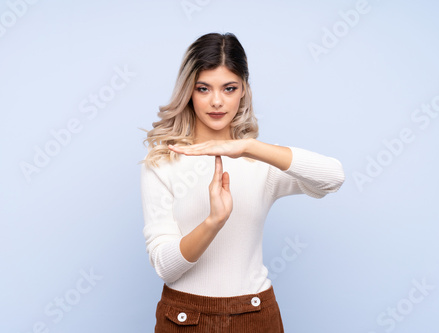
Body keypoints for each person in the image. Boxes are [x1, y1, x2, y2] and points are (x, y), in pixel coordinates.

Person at [139, 32, 345, 332]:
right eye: (203, 88)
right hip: (183, 318)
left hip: (255, 316)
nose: (217, 101)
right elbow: (164, 266)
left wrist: (248, 147)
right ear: (189, 91)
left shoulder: (260, 161)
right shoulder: (162, 161)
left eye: (229, 88)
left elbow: (333, 177)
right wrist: (213, 222)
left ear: (243, 91)